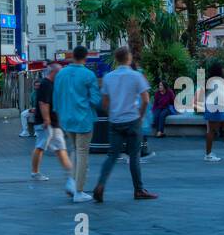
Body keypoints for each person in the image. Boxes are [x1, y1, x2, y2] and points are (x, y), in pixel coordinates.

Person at [92, 46, 155, 203]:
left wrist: (112, 113)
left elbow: (105, 103)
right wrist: (140, 116)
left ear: (116, 59)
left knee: (112, 155)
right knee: (134, 156)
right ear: (129, 58)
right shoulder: (136, 76)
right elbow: (146, 99)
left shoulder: (108, 77)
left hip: (115, 121)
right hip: (132, 119)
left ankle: (100, 184)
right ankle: (138, 189)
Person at [53, 46, 102, 201]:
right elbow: (96, 99)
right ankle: (79, 191)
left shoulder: (61, 74)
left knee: (75, 150)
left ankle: (72, 182)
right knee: (82, 153)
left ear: (72, 56)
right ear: (85, 57)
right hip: (83, 119)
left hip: (66, 118)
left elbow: (56, 96)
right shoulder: (88, 75)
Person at [29, 62, 73, 191]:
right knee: (41, 146)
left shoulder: (50, 84)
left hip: (52, 123)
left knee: (59, 147)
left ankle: (70, 172)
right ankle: (35, 172)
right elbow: (43, 103)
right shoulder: (46, 84)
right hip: (46, 123)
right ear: (54, 72)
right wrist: (47, 119)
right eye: (59, 72)